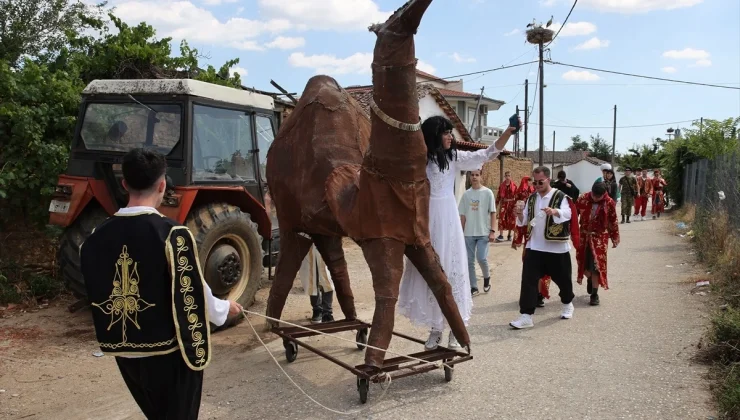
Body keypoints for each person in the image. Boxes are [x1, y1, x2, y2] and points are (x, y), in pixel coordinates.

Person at [79, 148, 242, 420]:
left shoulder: (96, 236)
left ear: (124, 184)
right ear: (163, 184)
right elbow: (193, 290)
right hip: (168, 353)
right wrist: (225, 309)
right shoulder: (172, 234)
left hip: (125, 352)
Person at [398, 115, 518, 350]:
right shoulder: (419, 159)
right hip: (424, 219)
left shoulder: (453, 158)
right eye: (446, 133)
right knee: (429, 271)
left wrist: (508, 132)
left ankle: (455, 327)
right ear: (434, 135)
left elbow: (487, 153)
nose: (450, 137)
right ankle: (435, 328)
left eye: (450, 133)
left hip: (447, 218)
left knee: (451, 271)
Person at [510, 166, 577, 329]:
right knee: (528, 281)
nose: (537, 185)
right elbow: (524, 220)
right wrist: (518, 214)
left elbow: (569, 214)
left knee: (564, 281)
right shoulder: (532, 198)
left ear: (548, 179)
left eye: (540, 182)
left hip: (556, 247)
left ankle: (567, 302)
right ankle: (526, 315)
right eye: (535, 182)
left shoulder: (560, 196)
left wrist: (555, 211)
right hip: (535, 247)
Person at [575, 182, 620, 306]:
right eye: (594, 195)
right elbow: (573, 216)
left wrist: (615, 237)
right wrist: (571, 232)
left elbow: (613, 220)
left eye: (598, 197)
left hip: (599, 237)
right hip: (584, 235)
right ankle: (589, 278)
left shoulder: (609, 202)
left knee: (597, 266)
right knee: (582, 264)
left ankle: (594, 294)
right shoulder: (583, 198)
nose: (595, 198)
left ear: (603, 194)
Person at [459, 168, 497, 296]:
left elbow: (492, 213)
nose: (474, 177)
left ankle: (487, 279)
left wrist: (492, 231)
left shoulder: (488, 193)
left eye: (477, 175)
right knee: (469, 261)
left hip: (483, 232)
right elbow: (463, 216)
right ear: (469, 177)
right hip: (468, 233)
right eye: (472, 175)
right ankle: (473, 286)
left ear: (481, 176)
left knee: (481, 258)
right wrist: (460, 232)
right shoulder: (466, 194)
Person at [299, 245, 335, 324]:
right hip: (307, 246)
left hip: (324, 244)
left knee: (327, 280)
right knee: (311, 280)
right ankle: (317, 310)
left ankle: (327, 312)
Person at [495, 171, 518, 242]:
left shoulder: (514, 186)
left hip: (512, 204)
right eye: (506, 176)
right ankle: (501, 235)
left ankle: (509, 235)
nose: (507, 177)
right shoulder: (502, 185)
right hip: (504, 204)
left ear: (511, 177)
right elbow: (498, 196)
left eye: (509, 176)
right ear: (504, 177)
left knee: (511, 220)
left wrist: (516, 205)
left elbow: (517, 196)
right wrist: (496, 204)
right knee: (501, 218)